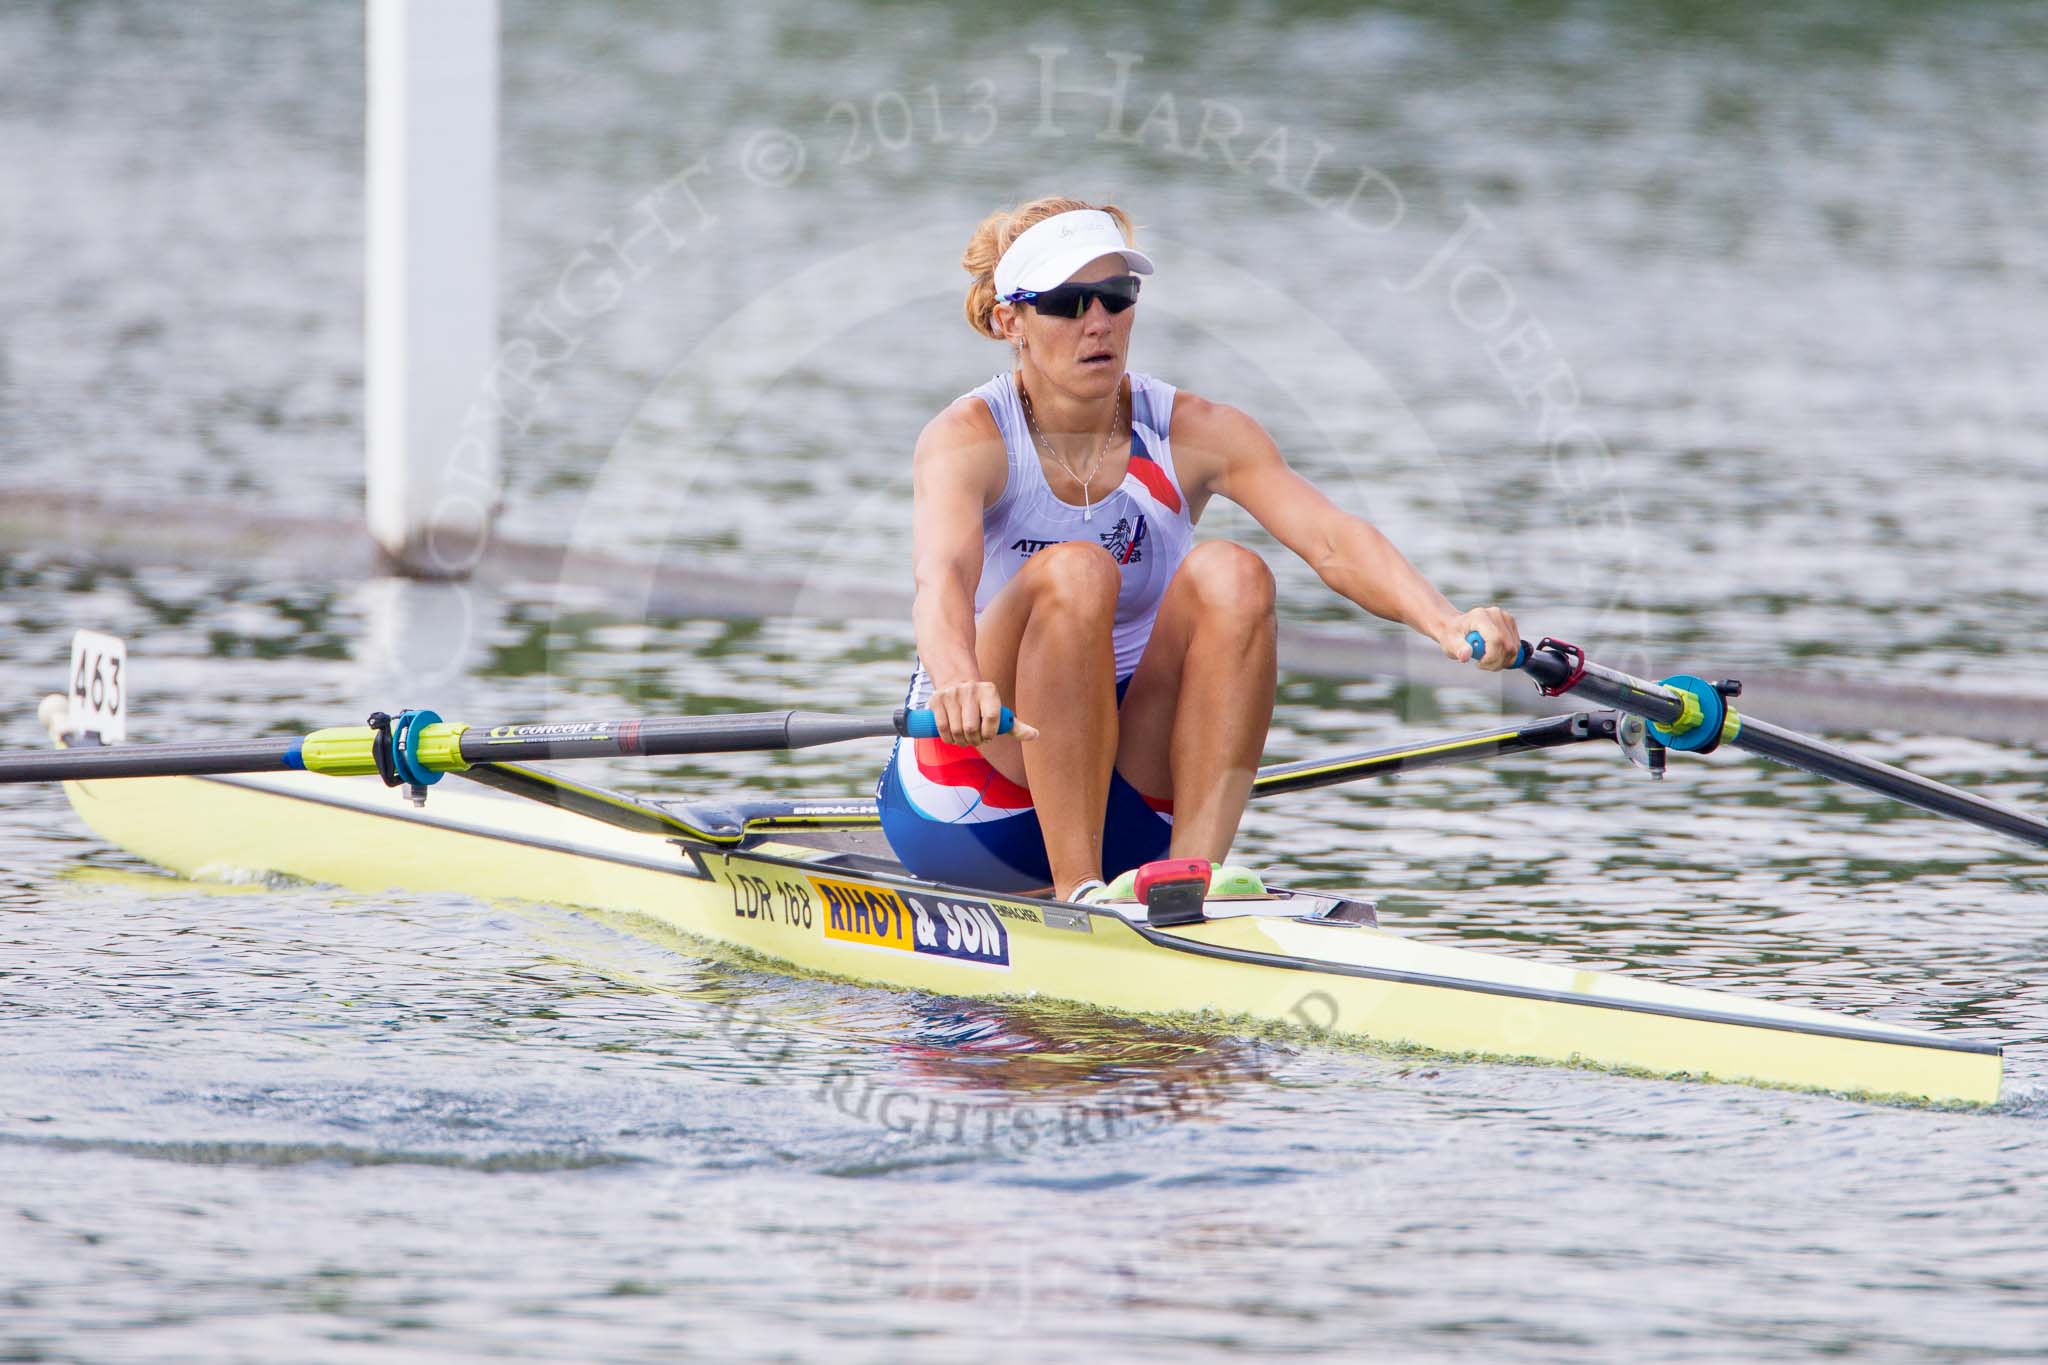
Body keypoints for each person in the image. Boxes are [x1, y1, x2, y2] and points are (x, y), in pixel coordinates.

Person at [877, 197, 1519, 902]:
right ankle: (1077, 893)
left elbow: (1332, 541)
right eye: (1067, 302)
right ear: (1011, 321)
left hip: (1131, 798)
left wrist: (1446, 621)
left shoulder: (1195, 430)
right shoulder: (968, 438)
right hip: (972, 797)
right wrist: (957, 677)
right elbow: (940, 578)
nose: (1099, 323)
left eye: (1117, 296)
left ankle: (1189, 883)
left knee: (1235, 572)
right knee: (1078, 571)